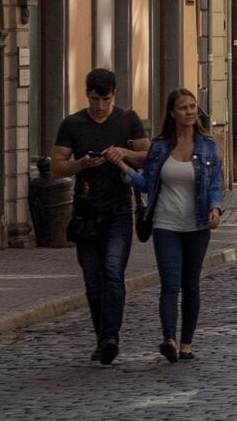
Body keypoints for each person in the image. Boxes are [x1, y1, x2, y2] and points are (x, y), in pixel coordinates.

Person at [51, 67, 150, 366]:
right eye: (94, 99)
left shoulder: (128, 119)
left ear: (114, 95)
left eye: (105, 99)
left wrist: (123, 152)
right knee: (93, 281)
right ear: (87, 95)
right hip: (86, 213)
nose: (99, 106)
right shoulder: (73, 124)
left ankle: (111, 337)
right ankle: (102, 337)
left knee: (112, 272)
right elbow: (57, 164)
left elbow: (148, 156)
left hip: (119, 210)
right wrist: (81, 164)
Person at [128, 88, 223, 364]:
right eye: (183, 107)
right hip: (165, 224)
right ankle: (168, 339)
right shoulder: (159, 147)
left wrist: (215, 208)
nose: (190, 111)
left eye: (193, 106)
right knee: (170, 284)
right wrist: (125, 170)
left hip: (197, 226)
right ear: (172, 112)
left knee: (190, 285)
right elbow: (147, 183)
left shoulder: (207, 145)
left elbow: (215, 184)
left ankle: (186, 343)